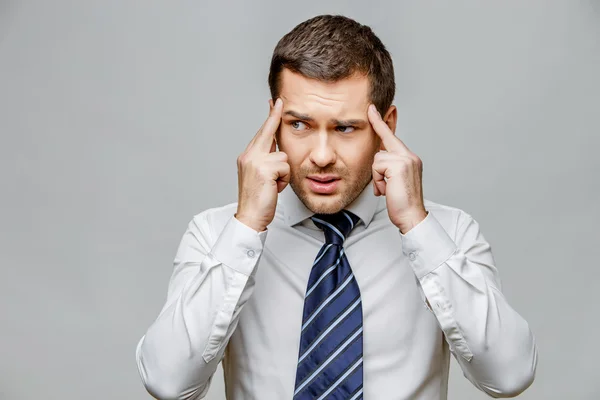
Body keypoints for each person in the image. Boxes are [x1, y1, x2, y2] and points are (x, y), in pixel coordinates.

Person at [135, 14, 537, 400]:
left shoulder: (449, 233)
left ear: (387, 127)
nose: (322, 155)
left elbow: (509, 375)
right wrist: (246, 227)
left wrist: (417, 226)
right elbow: (168, 383)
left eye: (345, 128)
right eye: (299, 125)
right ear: (272, 123)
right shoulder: (215, 234)